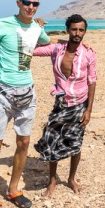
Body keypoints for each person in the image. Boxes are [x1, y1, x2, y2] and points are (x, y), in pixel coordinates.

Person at [0, 0, 50, 208]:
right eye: (26, 3)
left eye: (35, 4)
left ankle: (13, 189)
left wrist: (76, 45)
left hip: (27, 93)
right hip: (2, 93)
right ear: (17, 3)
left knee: (24, 141)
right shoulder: (2, 25)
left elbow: (46, 43)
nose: (30, 7)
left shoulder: (37, 27)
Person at [32, 14, 97, 197]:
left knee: (76, 143)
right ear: (68, 30)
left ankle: (71, 179)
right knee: (52, 140)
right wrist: (38, 30)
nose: (77, 33)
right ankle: (52, 181)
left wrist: (89, 110)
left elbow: (92, 81)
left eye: (81, 30)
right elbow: (33, 50)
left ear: (85, 31)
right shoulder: (57, 49)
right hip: (60, 103)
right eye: (74, 29)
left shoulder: (89, 54)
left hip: (79, 104)